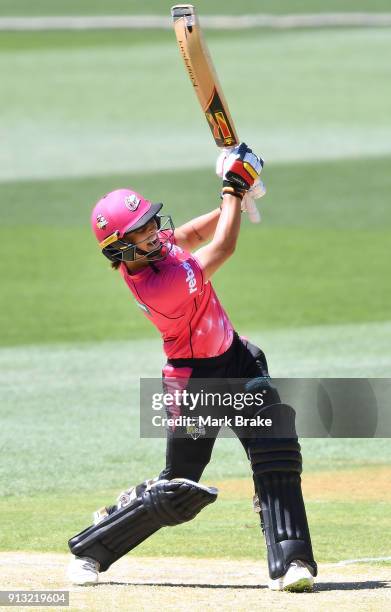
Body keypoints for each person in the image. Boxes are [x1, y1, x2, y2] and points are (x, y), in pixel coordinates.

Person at [67, 143, 317, 592]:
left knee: (276, 452)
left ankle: (292, 562)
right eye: (142, 229)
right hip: (195, 383)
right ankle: (93, 546)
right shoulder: (156, 284)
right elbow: (222, 247)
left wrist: (238, 197)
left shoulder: (154, 251)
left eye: (150, 222)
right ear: (122, 248)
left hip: (237, 361)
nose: (154, 230)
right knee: (179, 490)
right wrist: (232, 185)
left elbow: (200, 232)